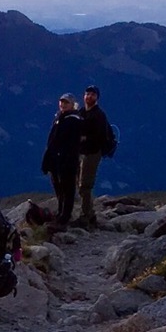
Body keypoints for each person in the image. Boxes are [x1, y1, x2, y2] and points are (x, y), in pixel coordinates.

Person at [41, 94, 83, 227]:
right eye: (61, 102)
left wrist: (64, 158)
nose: (63, 105)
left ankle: (65, 216)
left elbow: (72, 144)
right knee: (58, 187)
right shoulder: (59, 117)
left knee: (68, 188)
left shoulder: (74, 120)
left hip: (67, 160)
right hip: (55, 160)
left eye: (66, 103)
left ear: (73, 104)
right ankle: (60, 211)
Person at [76, 84, 115, 227]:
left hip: (92, 153)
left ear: (97, 97)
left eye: (92, 94)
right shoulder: (81, 112)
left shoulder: (99, 115)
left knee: (85, 185)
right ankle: (89, 213)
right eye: (87, 94)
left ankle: (86, 216)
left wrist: (84, 138)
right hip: (81, 152)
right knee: (79, 183)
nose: (89, 96)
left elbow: (100, 136)